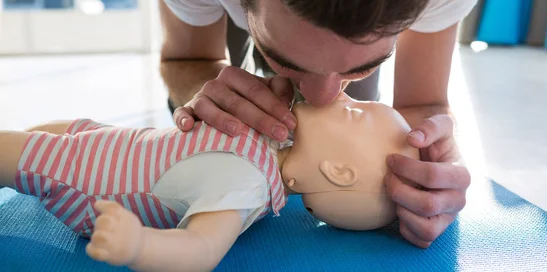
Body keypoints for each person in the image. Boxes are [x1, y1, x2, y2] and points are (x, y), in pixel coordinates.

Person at [134, 0, 490, 248]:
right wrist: (205, 96)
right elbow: (187, 57)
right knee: (208, 117)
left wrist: (434, 172)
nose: (321, 98)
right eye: (282, 57)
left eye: (362, 64)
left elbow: (421, 103)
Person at [0, 93, 418, 271]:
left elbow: (201, 250)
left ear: (337, 172)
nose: (342, 94)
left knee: (12, 152)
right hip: (107, 139)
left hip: (92, 180)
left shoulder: (248, 185)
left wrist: (138, 245)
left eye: (353, 111)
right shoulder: (271, 139)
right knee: (31, 134)